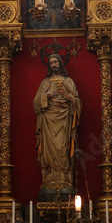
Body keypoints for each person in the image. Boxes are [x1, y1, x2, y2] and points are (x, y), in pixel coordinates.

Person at [33, 54, 81, 194]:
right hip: (48, 120)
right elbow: (36, 103)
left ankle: (65, 180)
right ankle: (50, 180)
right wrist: (46, 95)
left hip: (64, 119)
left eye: (55, 62)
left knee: (62, 148)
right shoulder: (45, 83)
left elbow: (77, 103)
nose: (53, 64)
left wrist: (71, 99)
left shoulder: (69, 82)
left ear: (60, 63)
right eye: (51, 63)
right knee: (49, 150)